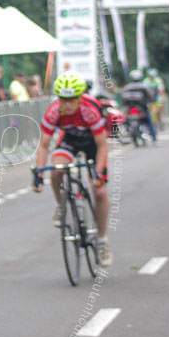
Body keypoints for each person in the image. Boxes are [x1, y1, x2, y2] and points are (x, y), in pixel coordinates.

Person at [32, 73, 113, 267]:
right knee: (57, 169)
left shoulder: (90, 109)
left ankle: (102, 241)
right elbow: (44, 145)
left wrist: (98, 174)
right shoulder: (54, 111)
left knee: (100, 192)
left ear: (80, 97)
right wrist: (39, 173)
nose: (67, 105)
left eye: (71, 100)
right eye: (63, 99)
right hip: (69, 142)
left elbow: (102, 146)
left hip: (93, 144)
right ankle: (61, 206)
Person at [120, 70, 157, 143]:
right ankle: (154, 137)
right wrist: (152, 101)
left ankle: (127, 131)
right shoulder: (144, 86)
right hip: (141, 108)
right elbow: (151, 96)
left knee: (125, 120)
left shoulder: (127, 87)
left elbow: (122, 99)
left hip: (130, 109)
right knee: (149, 121)